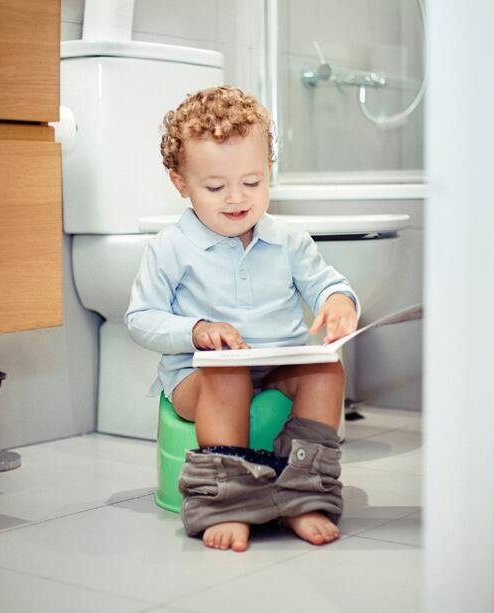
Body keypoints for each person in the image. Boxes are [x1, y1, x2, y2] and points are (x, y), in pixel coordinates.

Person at [125, 86, 360, 553]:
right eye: (215, 188)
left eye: (252, 182)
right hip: (201, 374)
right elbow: (140, 318)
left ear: (268, 170)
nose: (236, 198)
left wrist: (338, 300)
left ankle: (302, 492)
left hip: (277, 363)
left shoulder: (289, 240)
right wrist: (196, 331)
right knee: (228, 376)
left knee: (326, 370)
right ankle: (226, 501)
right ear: (181, 184)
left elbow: (326, 282)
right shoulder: (171, 247)